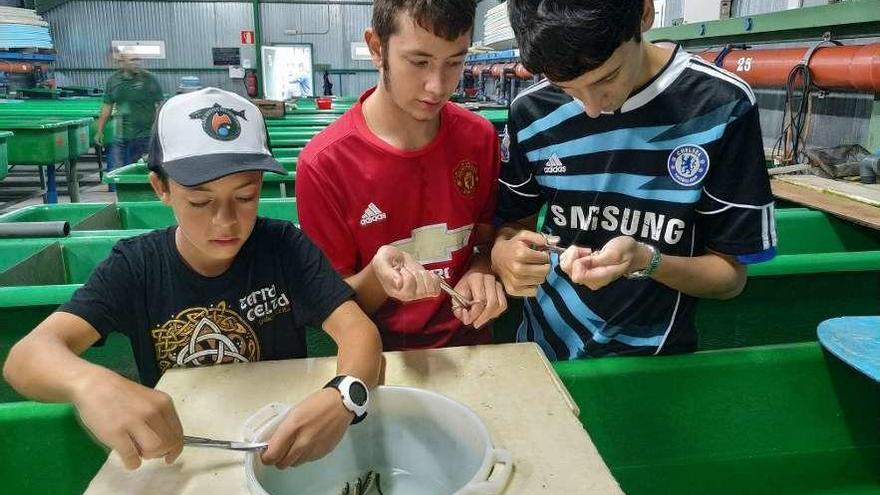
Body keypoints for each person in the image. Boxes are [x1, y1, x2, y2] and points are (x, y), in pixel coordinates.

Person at [3, 88, 382, 471]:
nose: (226, 222)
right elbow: (25, 357)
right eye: (201, 202)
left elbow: (358, 332)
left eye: (246, 196)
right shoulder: (136, 267)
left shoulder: (282, 247)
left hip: (280, 442)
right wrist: (88, 384)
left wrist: (344, 396)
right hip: (189, 454)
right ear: (161, 188)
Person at [491, 0, 777, 360]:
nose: (593, 109)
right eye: (568, 90)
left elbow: (730, 278)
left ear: (644, 14)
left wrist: (647, 261)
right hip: (542, 353)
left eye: (606, 78)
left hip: (655, 364)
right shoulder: (530, 111)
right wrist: (503, 254)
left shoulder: (720, 105)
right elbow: (512, 226)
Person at [296, 0, 507, 351]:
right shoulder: (324, 165)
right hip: (379, 357)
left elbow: (485, 241)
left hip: (470, 348)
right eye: (419, 62)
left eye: (454, 62)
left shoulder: (479, 138)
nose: (437, 86)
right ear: (377, 48)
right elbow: (331, 310)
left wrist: (482, 268)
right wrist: (378, 279)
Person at [95, 51, 164, 175]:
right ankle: (119, 192)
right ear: (122, 63)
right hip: (121, 135)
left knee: (143, 171)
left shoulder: (149, 79)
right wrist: (99, 131)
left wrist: (159, 129)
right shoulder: (113, 81)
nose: (137, 63)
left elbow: (160, 105)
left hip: (145, 135)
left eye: (138, 59)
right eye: (132, 60)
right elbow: (106, 107)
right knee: (118, 172)